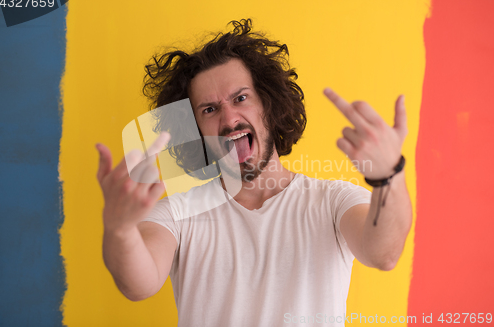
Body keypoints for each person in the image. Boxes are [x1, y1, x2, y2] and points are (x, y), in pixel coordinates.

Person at [95, 19, 412, 326]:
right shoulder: (178, 213)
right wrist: (119, 228)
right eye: (209, 109)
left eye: (240, 98)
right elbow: (138, 284)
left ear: (268, 105)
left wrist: (389, 175)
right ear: (194, 131)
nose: (229, 119)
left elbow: (383, 253)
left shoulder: (333, 201)